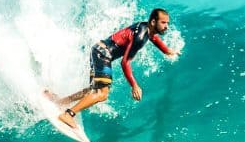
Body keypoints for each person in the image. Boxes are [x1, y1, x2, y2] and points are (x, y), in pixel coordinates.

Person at [49, 8, 179, 129]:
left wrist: (167, 51)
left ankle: (61, 102)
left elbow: (153, 38)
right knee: (102, 94)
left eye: (167, 23)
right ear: (153, 21)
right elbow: (125, 62)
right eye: (163, 23)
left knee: (93, 90)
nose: (166, 26)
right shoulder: (140, 37)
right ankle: (68, 114)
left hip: (98, 50)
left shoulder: (145, 28)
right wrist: (134, 85)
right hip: (103, 55)